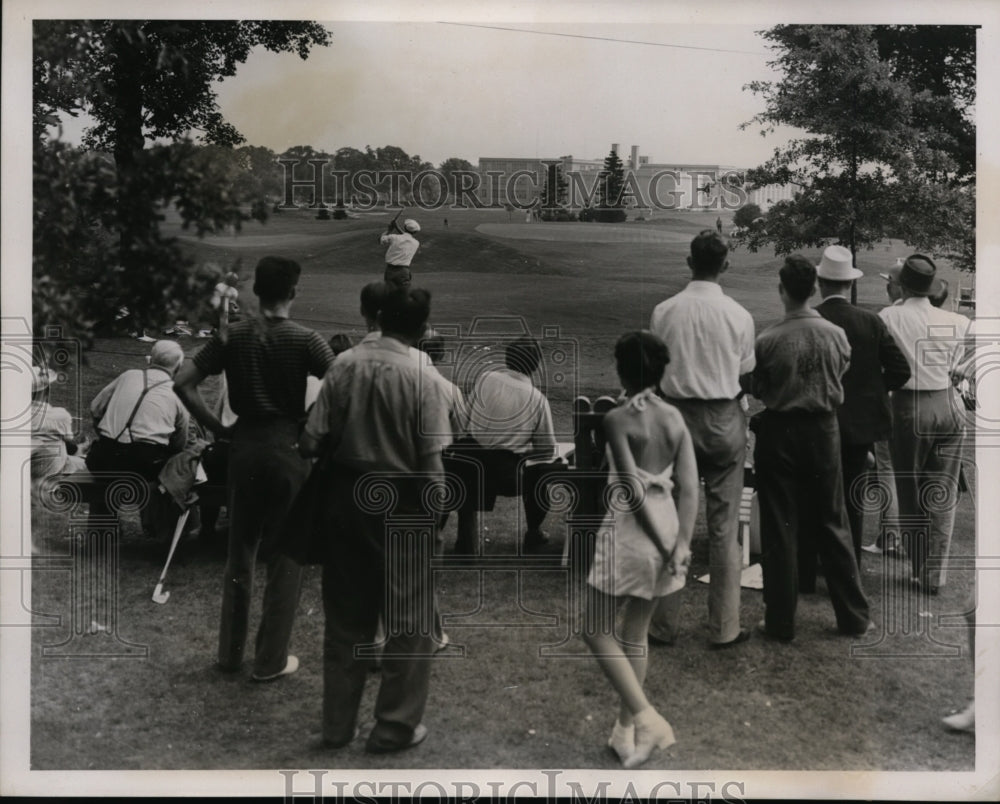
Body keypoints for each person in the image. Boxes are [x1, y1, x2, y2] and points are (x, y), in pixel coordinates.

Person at [300, 287, 453, 754]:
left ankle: (336, 726)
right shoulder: (424, 375)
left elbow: (309, 442)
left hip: (347, 497)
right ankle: (393, 727)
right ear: (424, 329)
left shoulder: (344, 364)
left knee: (346, 618)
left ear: (381, 319)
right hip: (404, 501)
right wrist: (436, 516)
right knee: (408, 621)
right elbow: (431, 464)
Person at [173, 256, 335, 681]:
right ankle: (269, 660)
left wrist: (215, 426)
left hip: (243, 445)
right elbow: (343, 385)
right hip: (287, 448)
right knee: (285, 557)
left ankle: (230, 654)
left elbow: (183, 380)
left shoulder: (233, 335)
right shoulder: (307, 339)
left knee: (239, 553)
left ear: (257, 292)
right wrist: (310, 422)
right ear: (293, 293)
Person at [582, 331, 698, 768]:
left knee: (594, 628)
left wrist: (667, 543)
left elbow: (630, 492)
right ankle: (623, 730)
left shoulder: (616, 418)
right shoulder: (674, 417)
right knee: (634, 632)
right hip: (666, 524)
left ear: (620, 370)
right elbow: (689, 488)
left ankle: (646, 719)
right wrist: (680, 543)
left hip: (631, 533)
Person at [750, 255, 871, 642]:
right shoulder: (836, 335)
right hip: (823, 429)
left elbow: (759, 387)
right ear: (815, 286)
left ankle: (781, 620)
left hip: (781, 430)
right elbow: (843, 373)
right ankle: (853, 617)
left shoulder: (768, 339)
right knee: (833, 522)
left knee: (781, 525)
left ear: (783, 290)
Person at [647, 229, 754, 648]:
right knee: (725, 529)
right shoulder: (739, 315)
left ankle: (662, 624)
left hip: (677, 418)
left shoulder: (664, 311)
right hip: (724, 417)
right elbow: (744, 372)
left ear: (690, 262)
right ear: (724, 265)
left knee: (673, 523)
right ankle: (724, 627)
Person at [878, 254, 973, 595]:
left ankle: (921, 567)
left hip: (910, 405)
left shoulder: (889, 316)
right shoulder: (956, 320)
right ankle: (934, 574)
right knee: (943, 491)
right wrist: (967, 367)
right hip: (949, 403)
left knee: (909, 488)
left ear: (902, 284)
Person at [812, 245, 910, 568]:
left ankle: (815, 560)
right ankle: (848, 560)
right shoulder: (870, 321)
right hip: (858, 422)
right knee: (853, 497)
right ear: (850, 283)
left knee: (817, 491)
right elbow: (900, 370)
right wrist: (872, 391)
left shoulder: (813, 319)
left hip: (819, 418)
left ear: (821, 282)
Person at [451, 336, 558, 554]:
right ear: (535, 365)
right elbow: (546, 449)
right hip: (506, 477)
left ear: (508, 358)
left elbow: (464, 421)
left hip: (470, 468)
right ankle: (534, 531)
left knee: (470, 458)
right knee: (538, 472)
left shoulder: (486, 378)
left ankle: (466, 542)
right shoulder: (538, 400)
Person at [87, 340, 190, 482]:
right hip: (144, 466)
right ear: (178, 367)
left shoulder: (128, 376)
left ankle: (102, 504)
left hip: (103, 460)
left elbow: (95, 408)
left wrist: (104, 434)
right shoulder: (178, 392)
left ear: (150, 359)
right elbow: (180, 440)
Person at [30, 366, 88, 482]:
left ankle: (79, 450)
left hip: (33, 463)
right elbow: (67, 438)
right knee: (86, 466)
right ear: (46, 390)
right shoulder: (59, 416)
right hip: (49, 471)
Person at [379, 218, 421, 289]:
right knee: (403, 294)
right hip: (403, 271)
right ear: (415, 232)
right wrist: (397, 227)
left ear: (405, 227)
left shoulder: (394, 237)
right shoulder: (416, 243)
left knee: (389, 293)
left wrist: (390, 229)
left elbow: (380, 239)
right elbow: (406, 237)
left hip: (390, 270)